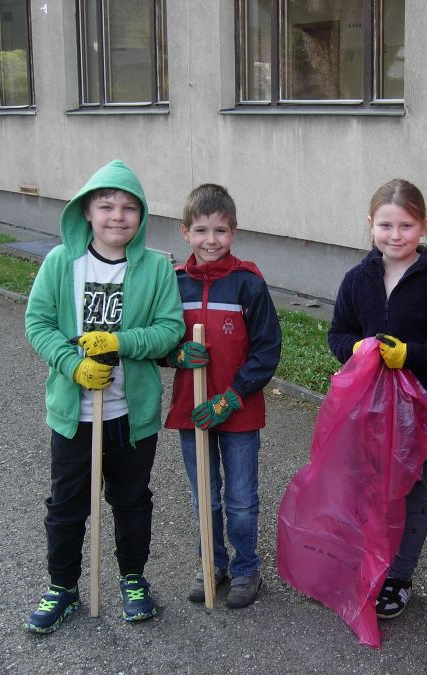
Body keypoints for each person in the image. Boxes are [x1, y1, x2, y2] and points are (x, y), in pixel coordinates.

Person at [24, 159, 185, 633]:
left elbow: (169, 329)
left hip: (130, 416)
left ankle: (134, 581)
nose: (118, 216)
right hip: (75, 417)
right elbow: (38, 324)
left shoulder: (156, 267)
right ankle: (63, 587)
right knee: (68, 503)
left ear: (142, 215)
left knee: (132, 500)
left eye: (129, 207)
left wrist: (120, 342)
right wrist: (73, 363)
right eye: (107, 206)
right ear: (87, 213)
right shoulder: (61, 263)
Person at [328, 178, 427, 619]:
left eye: (407, 225)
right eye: (386, 225)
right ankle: (367, 562)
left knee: (410, 495)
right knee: (366, 491)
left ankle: (399, 576)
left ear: (424, 227)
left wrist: (412, 355)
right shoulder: (358, 280)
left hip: (422, 413)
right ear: (370, 225)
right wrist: (354, 349)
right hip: (367, 410)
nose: (396, 235)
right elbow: (337, 333)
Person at [163, 183, 281, 610]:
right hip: (191, 410)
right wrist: (174, 352)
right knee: (204, 497)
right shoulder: (174, 284)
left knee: (241, 500)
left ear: (233, 232)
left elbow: (267, 350)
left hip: (238, 412)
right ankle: (212, 563)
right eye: (201, 231)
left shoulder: (248, 284)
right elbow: (159, 342)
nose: (210, 240)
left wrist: (232, 397)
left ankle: (247, 567)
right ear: (185, 233)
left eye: (220, 231)